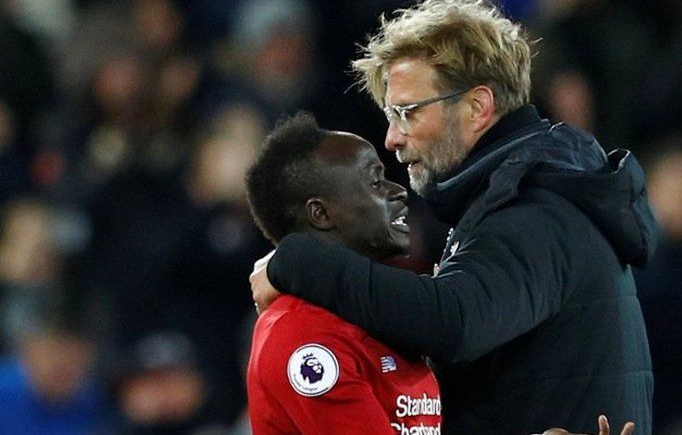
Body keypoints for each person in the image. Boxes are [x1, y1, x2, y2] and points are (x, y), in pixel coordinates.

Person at [250, 0, 657, 434]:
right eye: (390, 115)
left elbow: (452, 321)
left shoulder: (535, 207)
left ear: (477, 107)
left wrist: (298, 260)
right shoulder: (531, 191)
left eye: (406, 113)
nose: (392, 138)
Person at [244, 114, 636, 435]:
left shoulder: (384, 321)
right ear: (321, 213)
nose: (398, 191)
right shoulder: (303, 338)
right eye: (375, 181)